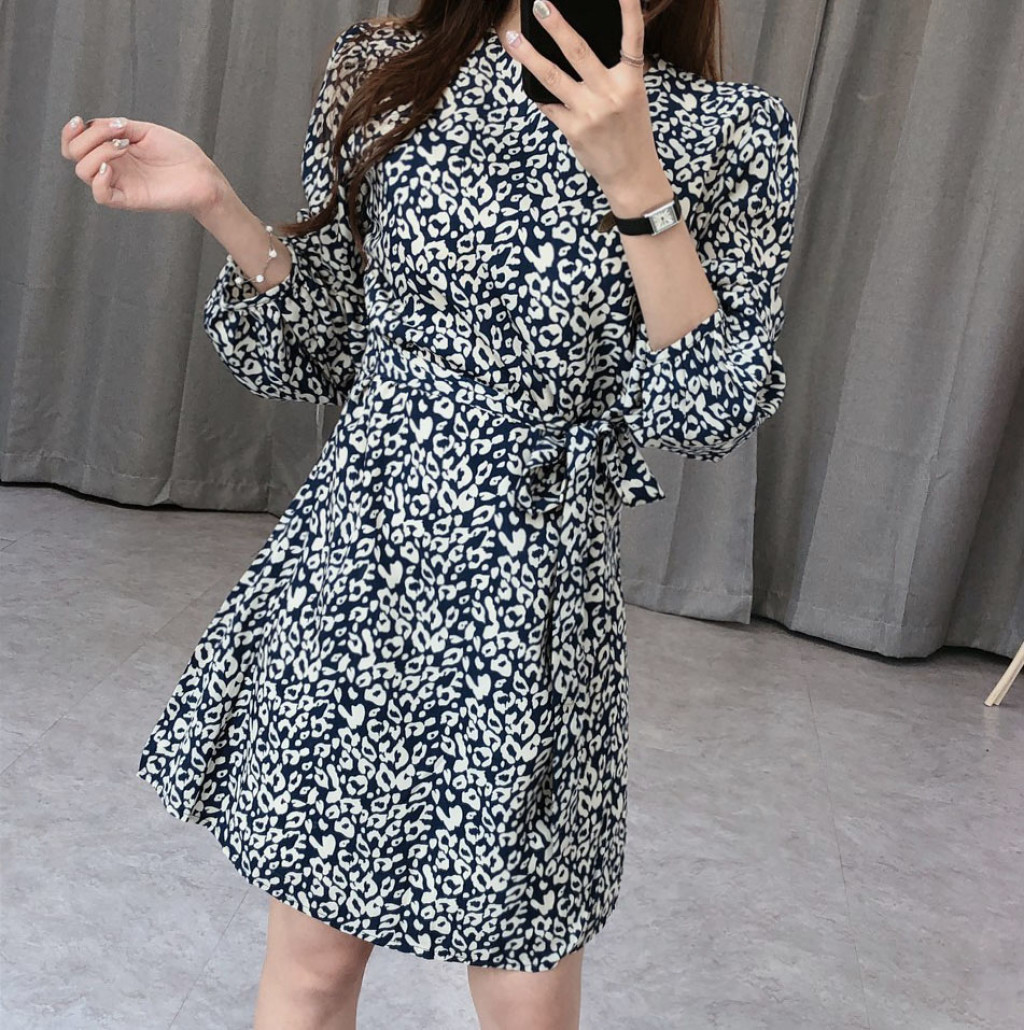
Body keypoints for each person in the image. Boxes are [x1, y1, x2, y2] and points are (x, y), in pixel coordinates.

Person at [60, 0, 799, 1026]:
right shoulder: (389, 68)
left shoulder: (732, 132)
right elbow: (327, 340)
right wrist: (217, 203)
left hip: (533, 597)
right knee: (313, 967)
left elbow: (705, 409)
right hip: (359, 566)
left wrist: (636, 183)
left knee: (524, 989)